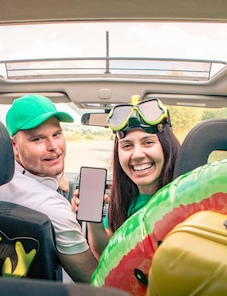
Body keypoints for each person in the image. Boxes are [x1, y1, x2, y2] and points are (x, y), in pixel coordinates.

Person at [0, 94, 99, 284]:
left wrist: (57, 180)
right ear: (14, 146)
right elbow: (92, 280)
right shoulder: (53, 208)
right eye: (38, 139)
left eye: (56, 134)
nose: (54, 147)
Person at [71, 96, 180, 258]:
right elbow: (105, 253)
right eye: (127, 146)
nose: (137, 155)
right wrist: (94, 221)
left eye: (148, 142)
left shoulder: (185, 197)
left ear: (166, 147)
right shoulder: (124, 199)